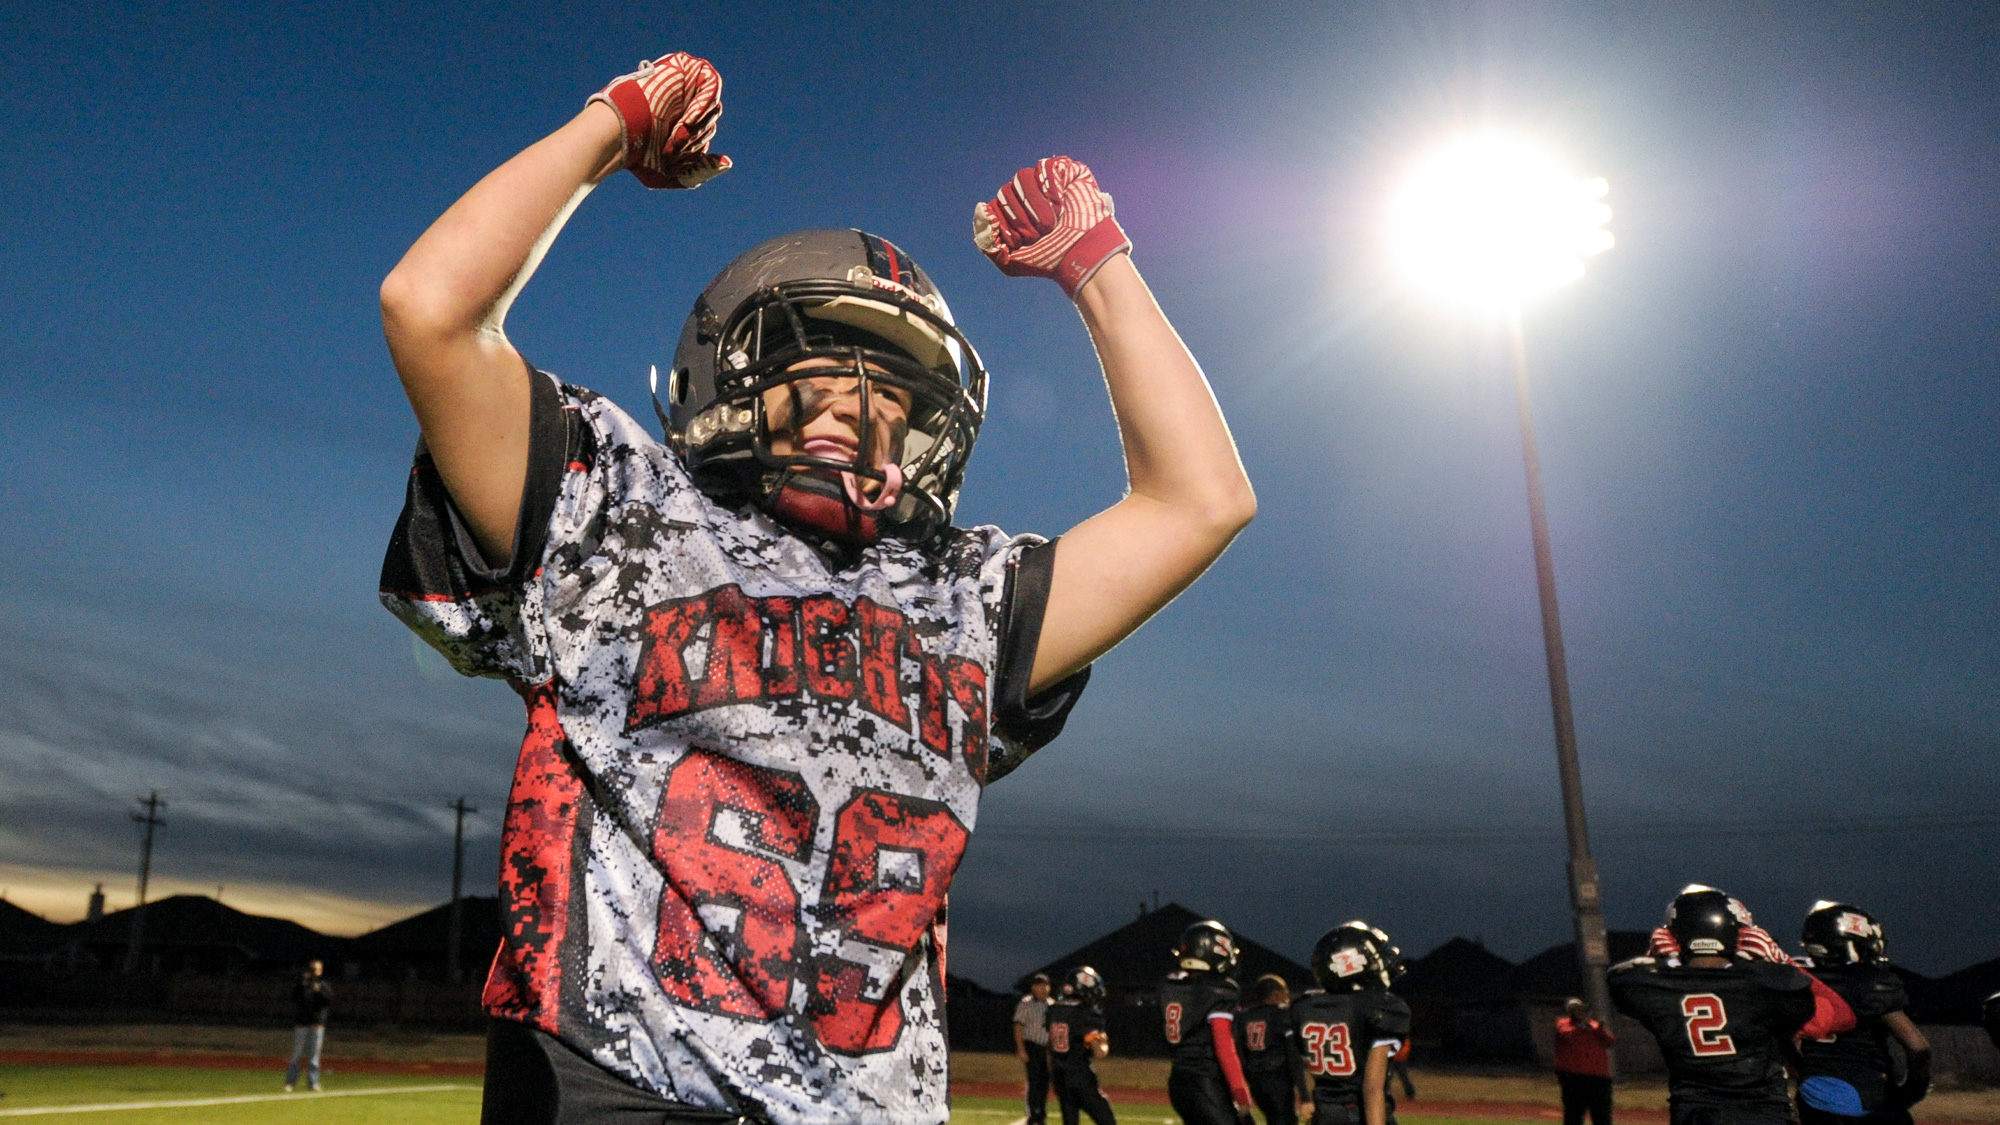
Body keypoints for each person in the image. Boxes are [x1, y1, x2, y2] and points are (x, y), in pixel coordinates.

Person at [377, 49, 1255, 1125]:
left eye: (892, 387)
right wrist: (610, 125)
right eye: (819, 363)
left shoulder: (962, 596)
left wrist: (1098, 261)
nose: (855, 398)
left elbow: (1201, 501)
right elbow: (430, 307)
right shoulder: (623, 513)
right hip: (617, 1084)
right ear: (727, 372)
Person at [1611, 885, 1855, 1125]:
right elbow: (1840, 1015)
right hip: (1762, 1114)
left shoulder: (1655, 989)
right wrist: (1779, 960)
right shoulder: (1766, 985)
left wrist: (1661, 960)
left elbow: (1621, 982)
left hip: (1695, 1114)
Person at [1793, 902, 1931, 1124]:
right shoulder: (1870, 983)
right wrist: (1915, 1088)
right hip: (1868, 1094)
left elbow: (1782, 1040)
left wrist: (1804, 1073)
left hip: (1815, 1095)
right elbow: (1918, 1047)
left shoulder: (1795, 980)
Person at [1289, 922, 1412, 1125]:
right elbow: (1372, 1088)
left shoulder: (1306, 1008)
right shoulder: (1379, 1007)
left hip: (1325, 1114)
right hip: (1359, 1114)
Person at [1160, 920, 1257, 1125]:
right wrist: (1240, 1091)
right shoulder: (1218, 989)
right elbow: (1224, 1046)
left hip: (1178, 1080)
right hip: (1205, 1081)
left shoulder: (1171, 985)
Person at [1046, 967, 1116, 1125]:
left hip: (1059, 1076)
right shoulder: (1085, 1013)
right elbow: (1098, 1053)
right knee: (1107, 1121)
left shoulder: (1054, 1010)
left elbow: (1050, 1046)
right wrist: (1104, 1042)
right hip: (1080, 1078)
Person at [1238, 974, 1305, 1125]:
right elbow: (1293, 1055)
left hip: (1256, 1082)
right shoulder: (1281, 1015)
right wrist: (1304, 1094)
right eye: (1284, 991)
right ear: (1275, 994)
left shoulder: (1245, 1017)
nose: (1287, 994)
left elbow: (1240, 1052)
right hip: (1278, 1081)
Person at [1553, 997, 1615, 1125]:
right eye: (1574, 1010)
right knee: (1573, 1115)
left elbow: (1610, 1041)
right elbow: (1566, 1035)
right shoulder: (1563, 1023)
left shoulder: (1594, 1025)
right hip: (1574, 1077)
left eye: (1579, 1009)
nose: (1578, 1012)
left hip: (1599, 1077)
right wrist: (1581, 1026)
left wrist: (1597, 1028)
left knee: (1602, 1116)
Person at [283, 959, 333, 1093]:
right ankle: (290, 1082)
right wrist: (303, 985)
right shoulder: (302, 985)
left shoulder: (323, 985)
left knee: (314, 1056)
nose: (314, 972)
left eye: (316, 970)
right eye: (312, 969)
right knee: (296, 1055)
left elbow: (328, 1000)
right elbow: (293, 998)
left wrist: (318, 990)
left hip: (317, 1024)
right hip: (302, 1023)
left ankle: (313, 1082)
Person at [1017, 972, 1056, 1125]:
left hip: (1047, 1048)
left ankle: (1041, 1113)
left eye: (1046, 985)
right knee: (1034, 1081)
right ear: (1033, 987)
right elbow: (1018, 1027)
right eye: (1040, 985)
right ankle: (1034, 1114)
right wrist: (1021, 1048)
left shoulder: (1052, 1004)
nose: (1043, 988)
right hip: (1032, 1046)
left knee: (1044, 1082)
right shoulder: (1026, 1004)